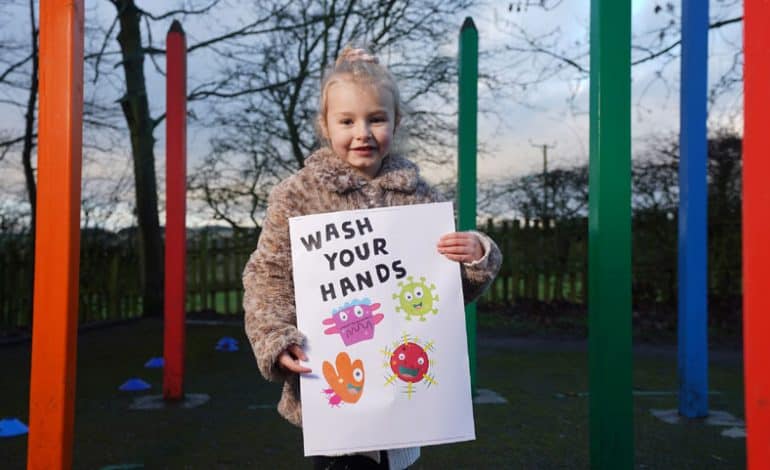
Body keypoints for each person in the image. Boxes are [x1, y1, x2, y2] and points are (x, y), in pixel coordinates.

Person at [243, 46, 502, 470]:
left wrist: (476, 256)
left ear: (396, 123)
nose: (362, 132)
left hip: (406, 402)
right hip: (334, 403)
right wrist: (275, 338)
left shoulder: (422, 198)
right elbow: (267, 277)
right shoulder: (297, 195)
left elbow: (447, 293)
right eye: (346, 120)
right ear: (325, 126)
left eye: (376, 118)